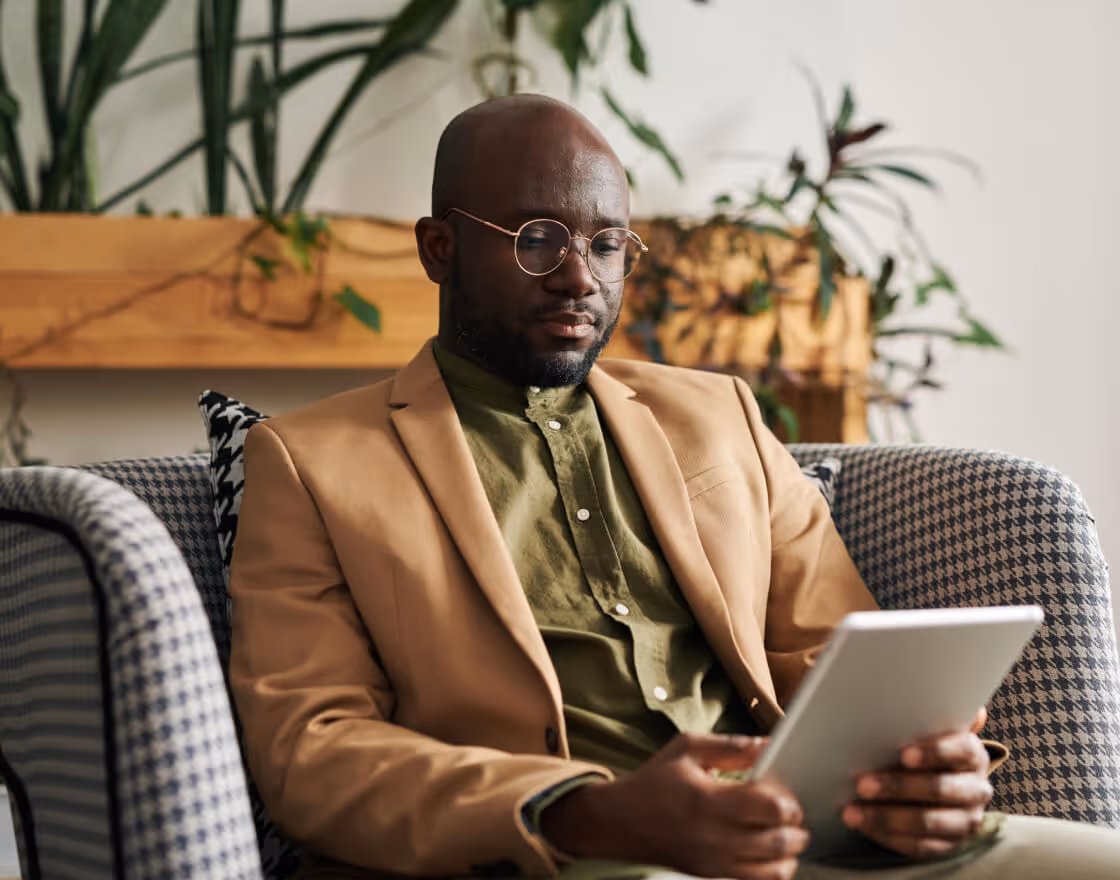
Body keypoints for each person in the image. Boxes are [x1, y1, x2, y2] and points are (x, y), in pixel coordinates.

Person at [229, 95, 1120, 880]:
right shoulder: (310, 462)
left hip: (812, 834)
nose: (581, 275)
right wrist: (584, 811)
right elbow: (313, 753)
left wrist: (925, 768)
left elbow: (831, 652)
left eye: (608, 243)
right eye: (537, 239)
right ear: (438, 248)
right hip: (565, 856)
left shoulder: (719, 414)